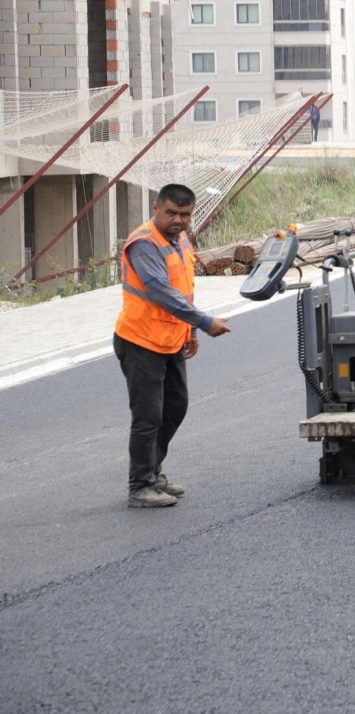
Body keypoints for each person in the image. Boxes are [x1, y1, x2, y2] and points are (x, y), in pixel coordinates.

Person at [115, 184, 231, 508]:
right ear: (156, 208)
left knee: (175, 408)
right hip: (140, 341)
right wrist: (206, 322)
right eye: (171, 213)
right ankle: (140, 486)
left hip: (169, 340)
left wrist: (190, 330)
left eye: (185, 214)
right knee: (148, 416)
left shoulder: (178, 239)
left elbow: (184, 288)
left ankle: (152, 472)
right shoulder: (144, 243)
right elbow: (161, 293)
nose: (178, 220)